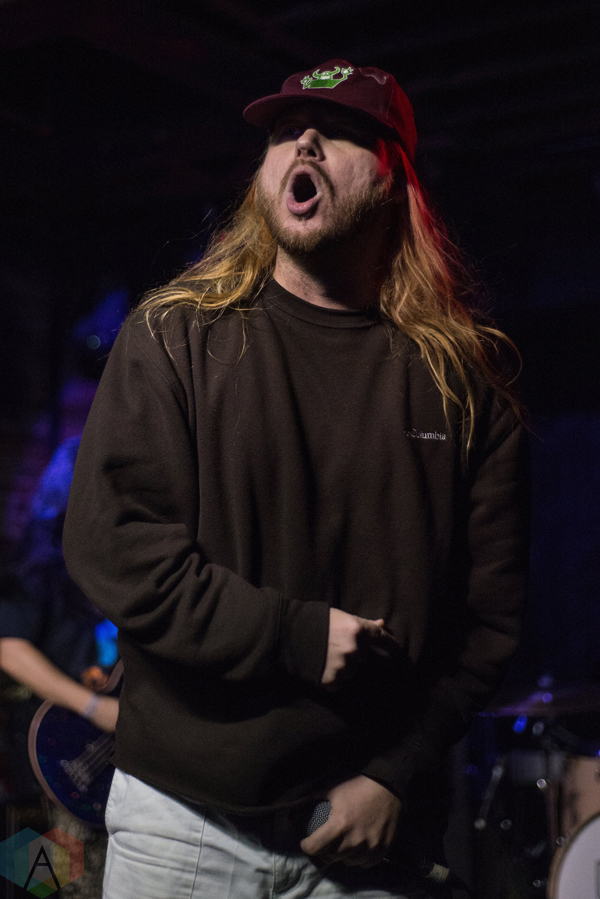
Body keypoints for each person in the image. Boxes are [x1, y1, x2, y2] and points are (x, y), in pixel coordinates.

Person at [62, 60, 529, 899]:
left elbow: (488, 623)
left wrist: (396, 772)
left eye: (339, 131)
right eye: (283, 133)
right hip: (184, 825)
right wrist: (294, 635)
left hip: (369, 840)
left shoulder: (463, 389)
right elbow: (114, 548)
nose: (303, 142)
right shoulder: (175, 338)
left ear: (393, 177)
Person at [0, 436, 119, 899]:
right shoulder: (39, 563)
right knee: (42, 886)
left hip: (94, 764)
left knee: (90, 880)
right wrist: (94, 707)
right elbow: (8, 648)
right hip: (46, 757)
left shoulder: (112, 564)